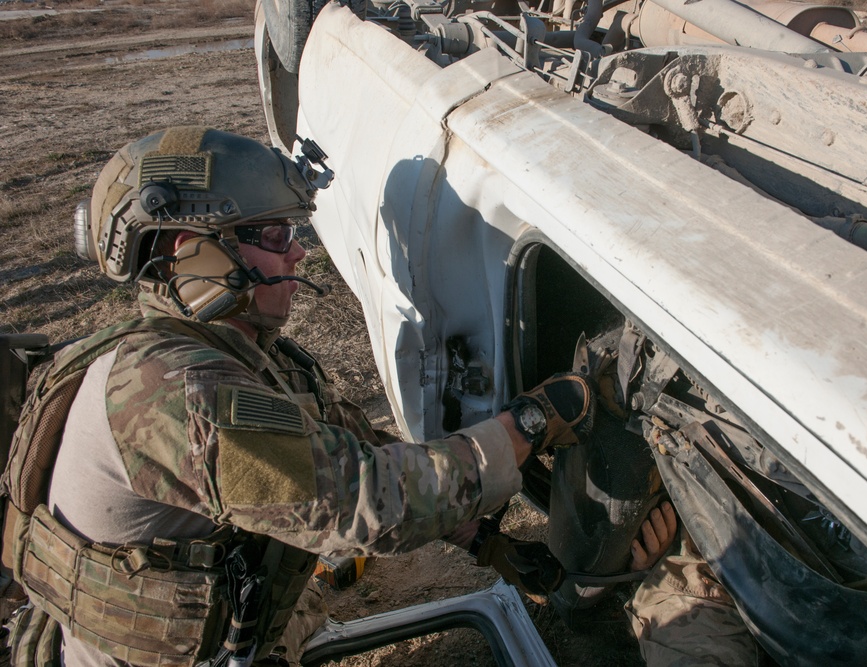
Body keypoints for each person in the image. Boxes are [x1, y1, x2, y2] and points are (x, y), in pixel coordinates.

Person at [1, 126, 596, 666]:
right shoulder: (173, 391)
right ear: (193, 250)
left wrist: (484, 541)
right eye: (278, 233)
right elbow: (369, 503)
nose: (298, 252)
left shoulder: (231, 352)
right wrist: (533, 421)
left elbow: (352, 450)